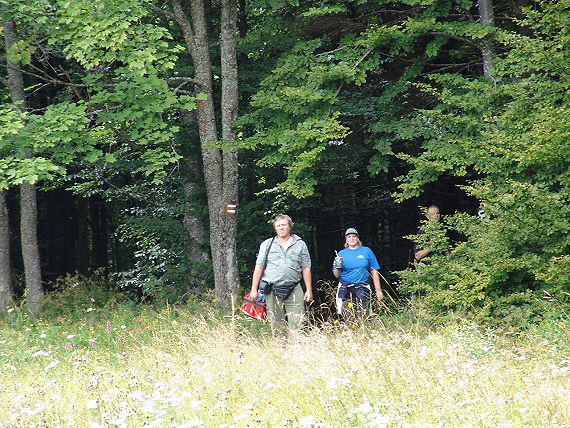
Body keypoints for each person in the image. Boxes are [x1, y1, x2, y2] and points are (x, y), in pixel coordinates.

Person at [249, 214, 313, 338]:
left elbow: (306, 267)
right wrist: (254, 290)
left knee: (298, 323)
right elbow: (259, 267)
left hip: (294, 289)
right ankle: (280, 348)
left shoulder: (300, 244)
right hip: (272, 290)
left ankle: (297, 348)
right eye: (278, 226)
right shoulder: (267, 244)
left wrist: (309, 290)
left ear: (290, 226)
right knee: (277, 325)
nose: (281, 228)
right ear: (275, 228)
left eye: (284, 225)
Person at [332, 228, 384, 320]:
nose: (351, 239)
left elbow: (374, 271)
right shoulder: (341, 254)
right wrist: (337, 267)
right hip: (345, 289)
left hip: (363, 288)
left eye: (354, 236)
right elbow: (336, 275)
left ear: (358, 238)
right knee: (349, 319)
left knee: (364, 318)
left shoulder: (366, 251)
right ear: (346, 240)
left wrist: (378, 291)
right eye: (349, 237)